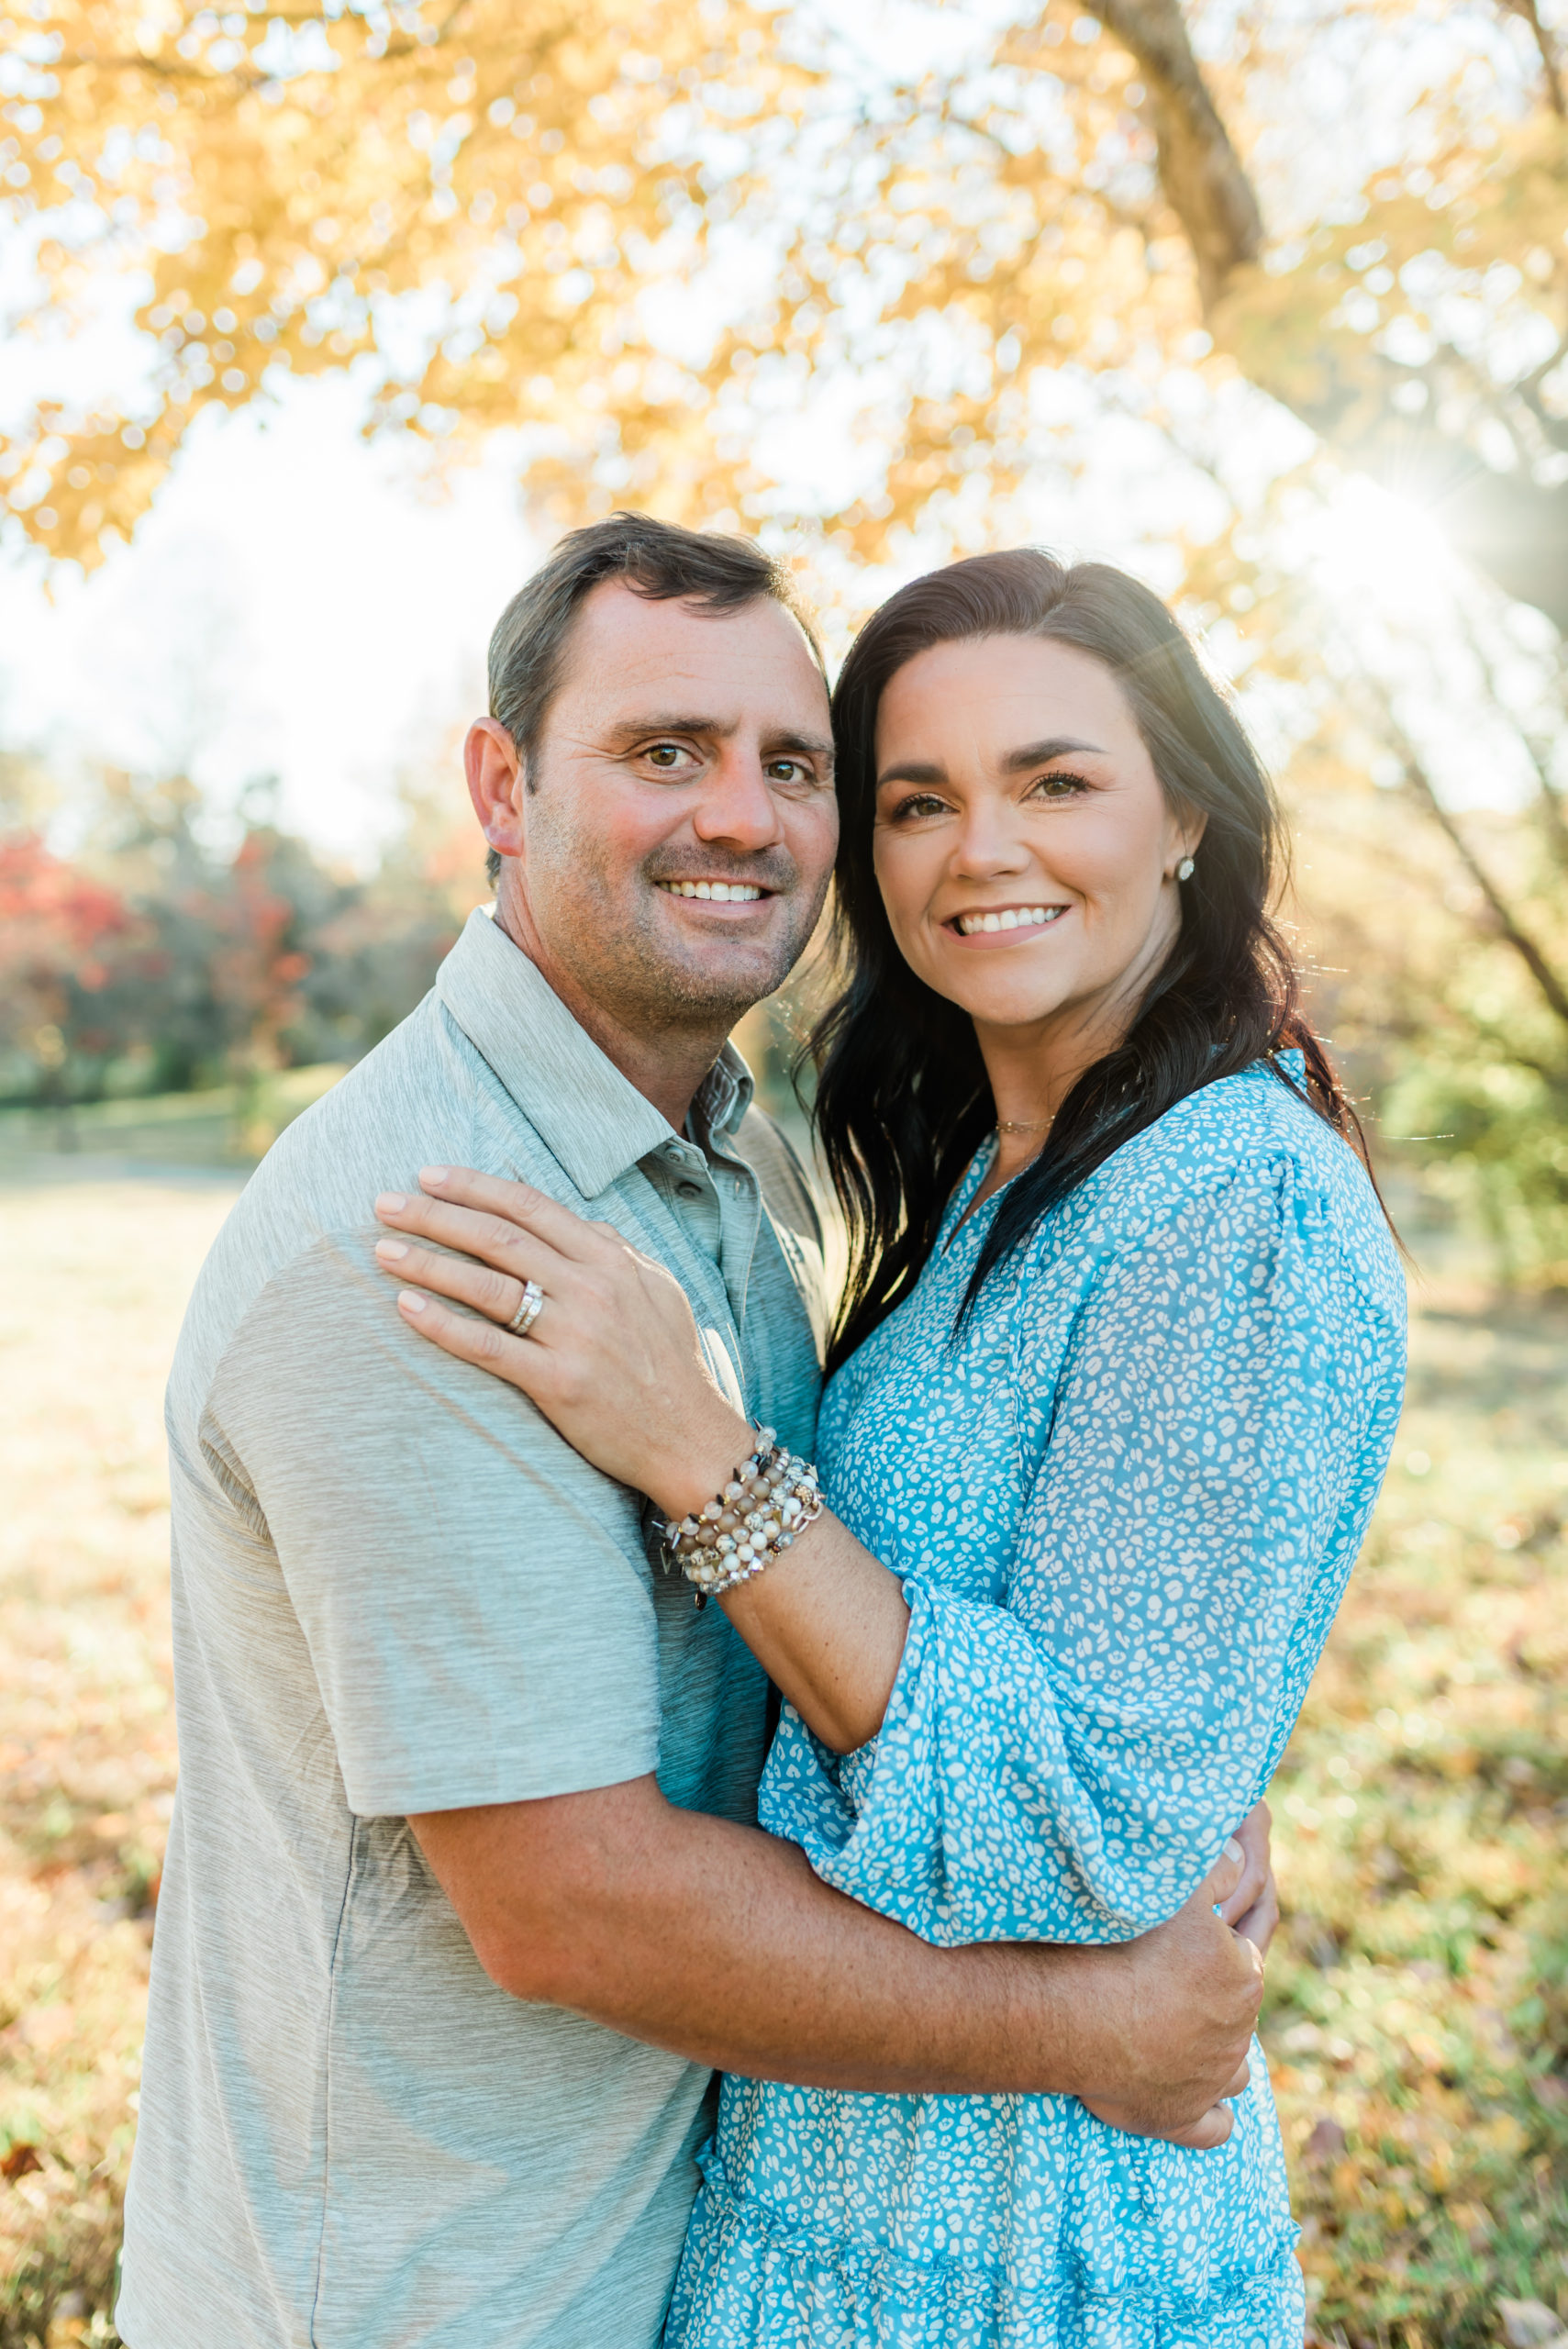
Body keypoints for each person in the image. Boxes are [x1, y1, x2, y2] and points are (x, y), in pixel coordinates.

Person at [117, 520, 1269, 2349]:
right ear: (502, 787)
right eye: (665, 750)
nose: (741, 815)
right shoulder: (418, 1248)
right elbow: (573, 1907)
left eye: (793, 765)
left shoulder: (729, 1157)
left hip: (669, 2232)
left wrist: (1160, 1739)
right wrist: (1094, 2021)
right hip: (436, 2284)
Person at [373, 547, 1406, 2347]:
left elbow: (1087, 1832)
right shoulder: (1006, 1175)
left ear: (1185, 814)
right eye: (918, 801)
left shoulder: (1239, 1196)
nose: (979, 851)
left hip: (1024, 2228)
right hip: (838, 2153)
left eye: (1054, 782)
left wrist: (697, 1450)